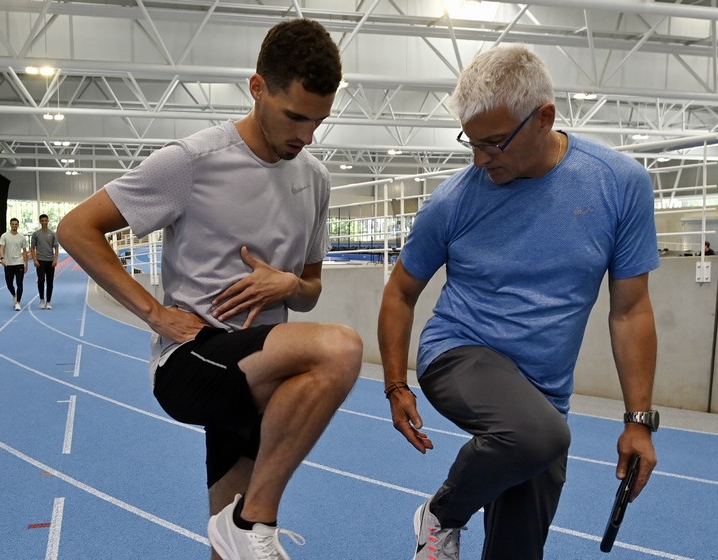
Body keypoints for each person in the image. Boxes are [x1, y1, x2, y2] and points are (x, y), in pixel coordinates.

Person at [57, 19, 361, 560]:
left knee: (232, 542)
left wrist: (288, 284)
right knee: (340, 349)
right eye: (295, 116)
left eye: (319, 122)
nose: (306, 136)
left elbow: (310, 289)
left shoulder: (313, 178)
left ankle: (242, 526)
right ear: (258, 87)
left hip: (256, 371)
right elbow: (77, 228)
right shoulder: (191, 161)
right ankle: (253, 520)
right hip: (194, 360)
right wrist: (154, 313)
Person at [378, 44, 660, 560]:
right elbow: (400, 292)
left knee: (519, 548)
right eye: (471, 141)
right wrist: (396, 384)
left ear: (543, 118)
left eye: (494, 143)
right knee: (539, 437)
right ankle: (441, 513)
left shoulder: (619, 185)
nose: (480, 158)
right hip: (458, 353)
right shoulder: (453, 202)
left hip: (543, 398)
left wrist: (637, 422)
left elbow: (630, 311)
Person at [0, 217, 29, 311]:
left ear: (18, 225)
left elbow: (24, 252)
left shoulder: (22, 237)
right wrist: (2, 258)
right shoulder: (4, 236)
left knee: (20, 283)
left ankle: (18, 302)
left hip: (19, 263)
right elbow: (1, 248)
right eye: (13, 224)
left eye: (16, 224)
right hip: (8, 263)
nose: (14, 226)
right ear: (10, 225)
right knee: (9, 284)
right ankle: (14, 295)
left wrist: (26, 264)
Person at [31, 214, 60, 309]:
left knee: (50, 282)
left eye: (45, 220)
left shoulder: (52, 234)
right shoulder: (36, 234)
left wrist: (55, 259)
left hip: (50, 261)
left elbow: (56, 247)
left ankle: (48, 302)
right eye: (42, 221)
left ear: (48, 221)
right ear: (40, 221)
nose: (44, 222)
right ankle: (41, 300)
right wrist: (35, 260)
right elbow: (32, 248)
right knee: (41, 280)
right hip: (40, 261)